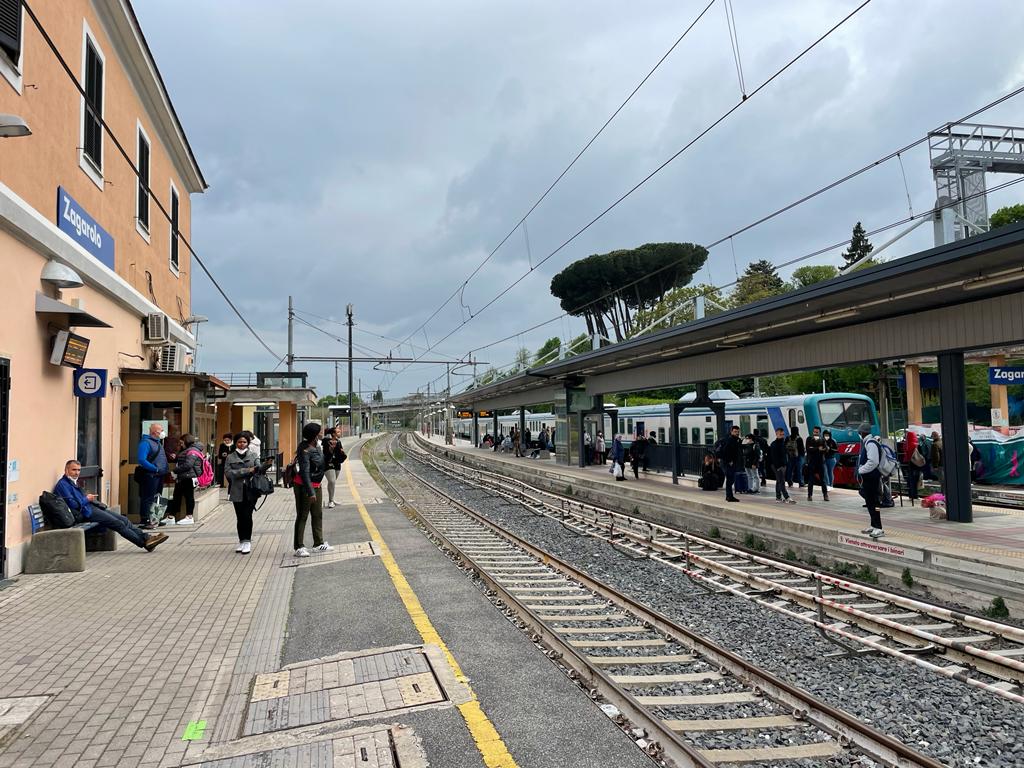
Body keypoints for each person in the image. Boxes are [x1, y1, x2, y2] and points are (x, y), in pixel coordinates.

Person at [55, 460, 168, 551]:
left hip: (90, 508)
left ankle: (147, 538)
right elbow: (73, 504)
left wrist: (87, 499)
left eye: (79, 470)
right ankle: (144, 543)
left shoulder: (72, 482)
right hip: (85, 512)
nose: (77, 473)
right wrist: (86, 498)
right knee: (118, 523)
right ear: (66, 470)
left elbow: (78, 500)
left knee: (123, 519)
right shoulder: (63, 484)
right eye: (74, 470)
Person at [293, 422, 331, 557]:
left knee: (317, 514)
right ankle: (299, 546)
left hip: (316, 484)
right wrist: (310, 492)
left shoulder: (317, 446)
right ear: (314, 434)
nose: (322, 433)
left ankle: (318, 543)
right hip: (304, 486)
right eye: (320, 431)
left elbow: (322, 465)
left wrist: (332, 453)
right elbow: (304, 472)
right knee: (302, 515)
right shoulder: (304, 450)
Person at [224, 432, 267, 554]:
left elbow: (258, 470)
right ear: (235, 442)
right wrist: (247, 470)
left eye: (244, 442)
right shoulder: (230, 457)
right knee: (240, 516)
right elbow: (228, 473)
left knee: (247, 515)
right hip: (236, 490)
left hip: (250, 490)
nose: (242, 444)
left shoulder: (253, 455)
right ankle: (241, 541)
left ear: (248, 443)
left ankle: (247, 541)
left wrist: (264, 466)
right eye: (239, 442)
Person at [162, 434, 203, 525]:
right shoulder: (187, 450)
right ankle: (171, 517)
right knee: (177, 496)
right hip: (183, 477)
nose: (180, 444)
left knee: (189, 497)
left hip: (188, 477)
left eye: (181, 442)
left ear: (187, 441)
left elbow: (188, 464)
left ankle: (189, 517)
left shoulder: (192, 451)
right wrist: (176, 457)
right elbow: (184, 460)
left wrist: (175, 471)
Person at [136, 422, 169, 529]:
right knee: (148, 498)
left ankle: (155, 518)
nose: (163, 432)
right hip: (151, 475)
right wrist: (155, 468)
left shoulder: (158, 442)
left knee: (156, 497)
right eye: (161, 430)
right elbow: (141, 459)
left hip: (159, 475)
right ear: (155, 432)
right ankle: (145, 519)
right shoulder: (146, 443)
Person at [858, 425, 884, 538]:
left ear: (862, 433)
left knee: (874, 502)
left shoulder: (871, 444)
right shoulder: (868, 442)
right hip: (869, 478)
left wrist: (861, 470)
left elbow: (873, 462)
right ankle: (873, 525)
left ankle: (878, 527)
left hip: (872, 478)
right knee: (869, 502)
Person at [769, 428, 795, 504]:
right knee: (782, 481)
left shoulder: (783, 443)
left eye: (783, 434)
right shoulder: (774, 444)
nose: (782, 436)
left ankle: (778, 497)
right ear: (776, 434)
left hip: (783, 465)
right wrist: (778, 467)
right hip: (777, 466)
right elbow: (774, 457)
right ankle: (787, 497)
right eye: (780, 434)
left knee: (779, 481)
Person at [804, 426, 829, 501]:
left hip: (820, 462)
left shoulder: (822, 440)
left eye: (817, 432)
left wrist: (823, 449)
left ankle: (825, 495)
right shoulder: (809, 439)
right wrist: (818, 449)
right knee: (811, 480)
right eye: (814, 432)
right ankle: (809, 495)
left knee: (823, 480)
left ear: (820, 433)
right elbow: (808, 449)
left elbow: (826, 449)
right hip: (812, 462)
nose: (815, 433)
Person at [322, 434, 347, 508]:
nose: (340, 433)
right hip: (328, 464)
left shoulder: (338, 442)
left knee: (332, 483)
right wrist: (331, 449)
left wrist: (342, 452)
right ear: (333, 434)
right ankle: (330, 501)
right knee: (332, 481)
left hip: (337, 464)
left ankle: (332, 499)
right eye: (338, 432)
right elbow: (325, 454)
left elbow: (341, 454)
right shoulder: (326, 442)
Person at [720, 425, 742, 502]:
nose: (737, 433)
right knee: (730, 479)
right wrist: (729, 461)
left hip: (731, 463)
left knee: (731, 479)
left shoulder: (736, 440)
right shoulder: (730, 440)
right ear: (731, 432)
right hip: (728, 463)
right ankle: (729, 496)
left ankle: (729, 496)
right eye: (735, 432)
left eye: (738, 432)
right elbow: (726, 451)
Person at [903, 430, 924, 505]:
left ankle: (910, 495)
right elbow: (922, 454)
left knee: (909, 480)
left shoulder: (906, 444)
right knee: (915, 480)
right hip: (915, 465)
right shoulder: (916, 445)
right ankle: (915, 495)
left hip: (907, 463)